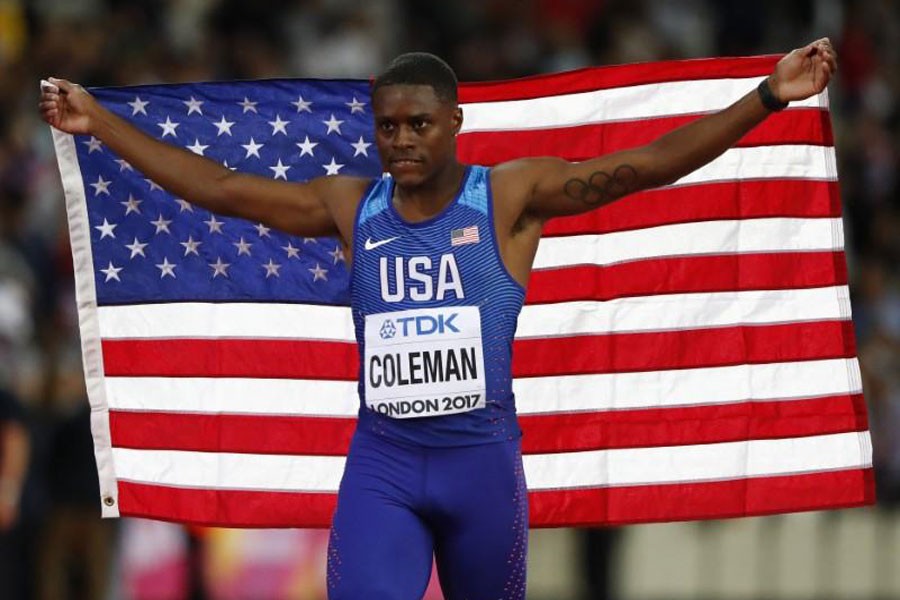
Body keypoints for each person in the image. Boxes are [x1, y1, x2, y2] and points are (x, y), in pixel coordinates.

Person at [39, 39, 837, 599]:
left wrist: (768, 96)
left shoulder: (512, 196)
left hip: (482, 467)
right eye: (387, 126)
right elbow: (220, 188)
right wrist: (99, 124)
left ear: (455, 122)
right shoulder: (353, 204)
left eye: (419, 124)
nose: (402, 140)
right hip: (383, 463)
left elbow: (650, 167)